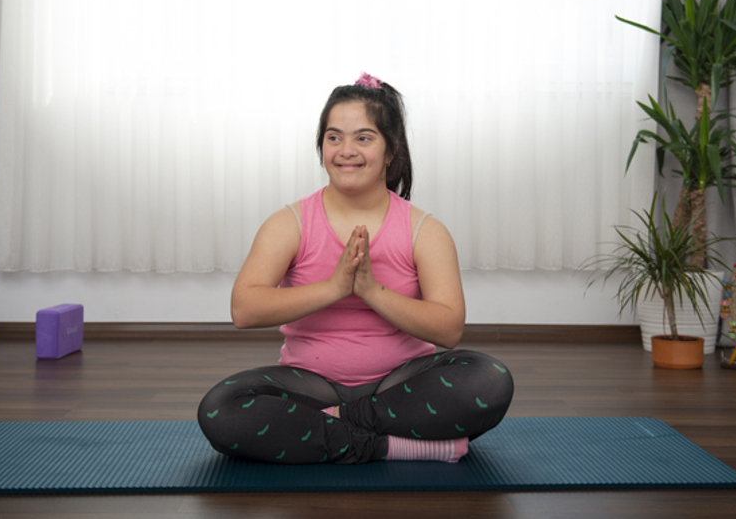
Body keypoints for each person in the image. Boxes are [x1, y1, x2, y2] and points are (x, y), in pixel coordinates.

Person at [197, 73, 514, 464]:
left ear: (391, 150)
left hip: (401, 385)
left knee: (490, 380)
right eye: (334, 137)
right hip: (312, 387)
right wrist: (335, 287)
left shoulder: (425, 230)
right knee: (220, 410)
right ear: (321, 147)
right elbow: (244, 310)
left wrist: (370, 290)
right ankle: (387, 446)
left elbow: (448, 328)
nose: (346, 150)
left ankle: (335, 426)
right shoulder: (288, 223)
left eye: (363, 138)